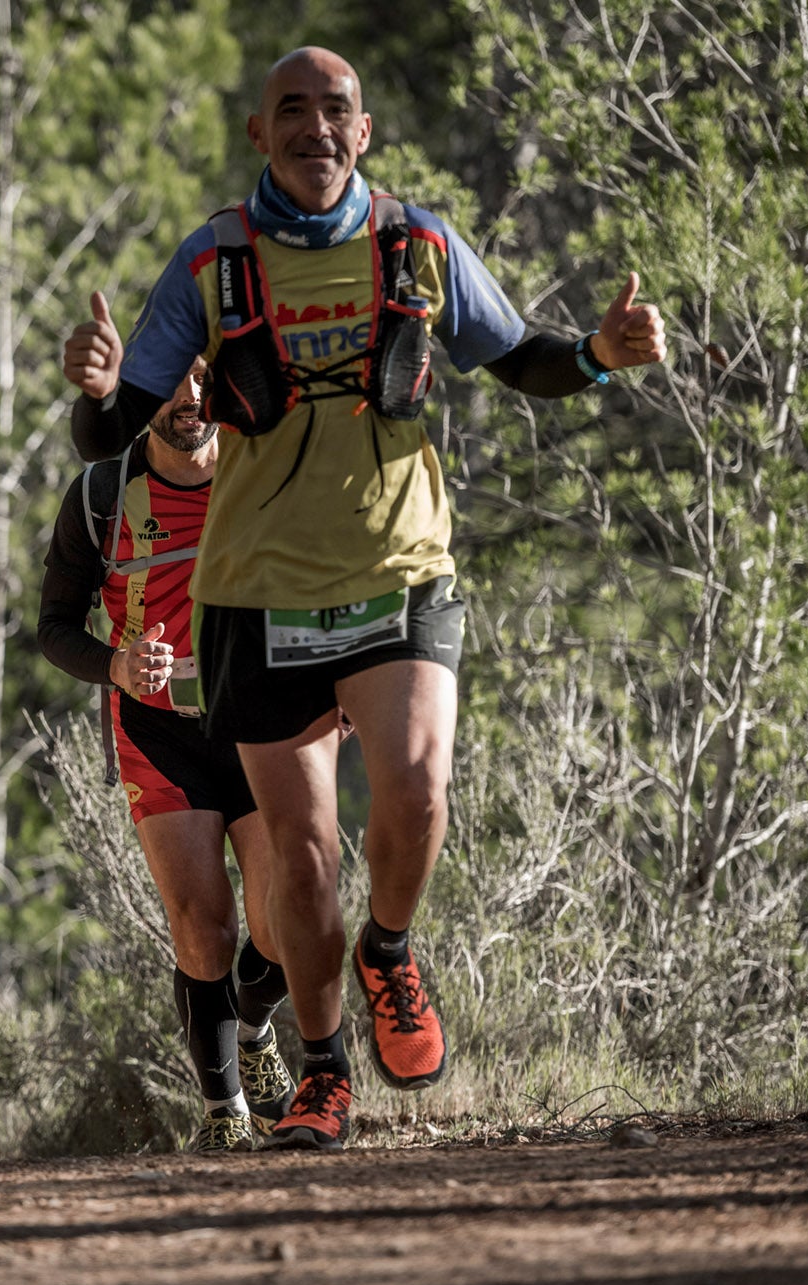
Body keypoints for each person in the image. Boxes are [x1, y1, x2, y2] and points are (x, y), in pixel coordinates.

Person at [63, 48, 666, 1151]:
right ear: (258, 134)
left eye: (332, 110)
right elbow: (112, 435)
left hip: (400, 568)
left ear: (364, 130)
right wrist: (97, 391)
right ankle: (324, 1072)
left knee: (419, 789)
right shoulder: (211, 260)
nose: (313, 128)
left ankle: (388, 949)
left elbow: (516, 354)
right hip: (251, 591)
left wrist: (596, 356)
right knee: (299, 859)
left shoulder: (416, 243)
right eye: (290, 111)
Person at [39, 359, 294, 1153]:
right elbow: (53, 627)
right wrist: (114, 663)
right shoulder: (100, 497)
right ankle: (226, 1114)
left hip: (260, 721)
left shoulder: (264, 470)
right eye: (173, 384)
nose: (191, 399)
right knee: (202, 928)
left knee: (289, 917)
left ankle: (253, 1034)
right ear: (144, 396)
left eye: (206, 379)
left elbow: (321, 582)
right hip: (158, 731)